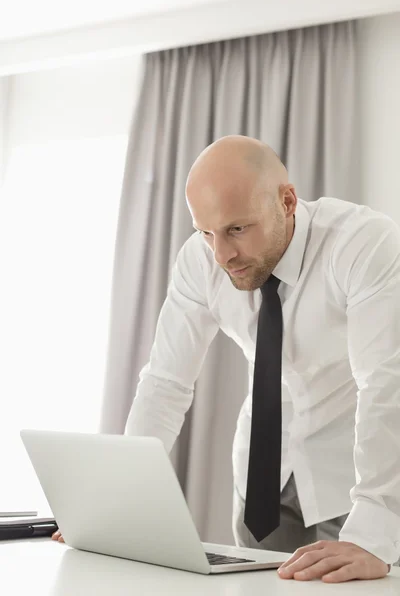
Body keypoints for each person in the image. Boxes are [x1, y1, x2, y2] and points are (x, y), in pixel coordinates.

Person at [52, 135, 400, 582]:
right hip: (261, 483)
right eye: (205, 232)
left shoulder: (362, 244)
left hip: (357, 483)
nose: (221, 255)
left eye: (237, 229)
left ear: (288, 202)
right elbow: (164, 383)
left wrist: (374, 533)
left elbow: (385, 383)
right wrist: (114, 508)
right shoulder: (201, 260)